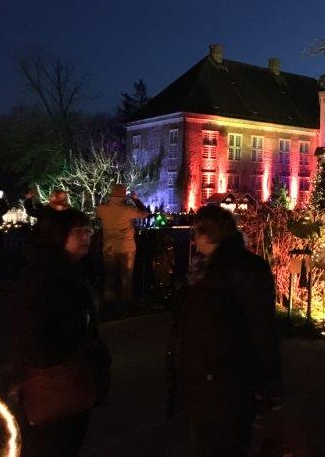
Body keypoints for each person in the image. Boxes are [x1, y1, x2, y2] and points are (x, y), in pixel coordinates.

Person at [169, 205, 282, 456]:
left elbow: (262, 327)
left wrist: (269, 384)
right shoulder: (201, 267)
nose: (193, 239)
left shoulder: (242, 269)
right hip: (203, 375)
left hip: (228, 377)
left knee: (225, 443)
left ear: (208, 234)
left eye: (196, 233)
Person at [11, 208, 111, 456]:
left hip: (74, 383)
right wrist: (70, 360)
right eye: (79, 231)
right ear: (57, 235)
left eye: (89, 230)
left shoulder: (71, 270)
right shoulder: (40, 277)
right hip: (55, 387)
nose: (87, 236)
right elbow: (31, 338)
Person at [95, 184, 148, 302]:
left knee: (110, 276)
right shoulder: (128, 209)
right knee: (126, 277)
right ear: (124, 196)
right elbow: (144, 214)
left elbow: (97, 217)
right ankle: (125, 304)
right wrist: (136, 200)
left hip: (109, 247)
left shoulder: (102, 208)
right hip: (126, 247)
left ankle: (109, 303)